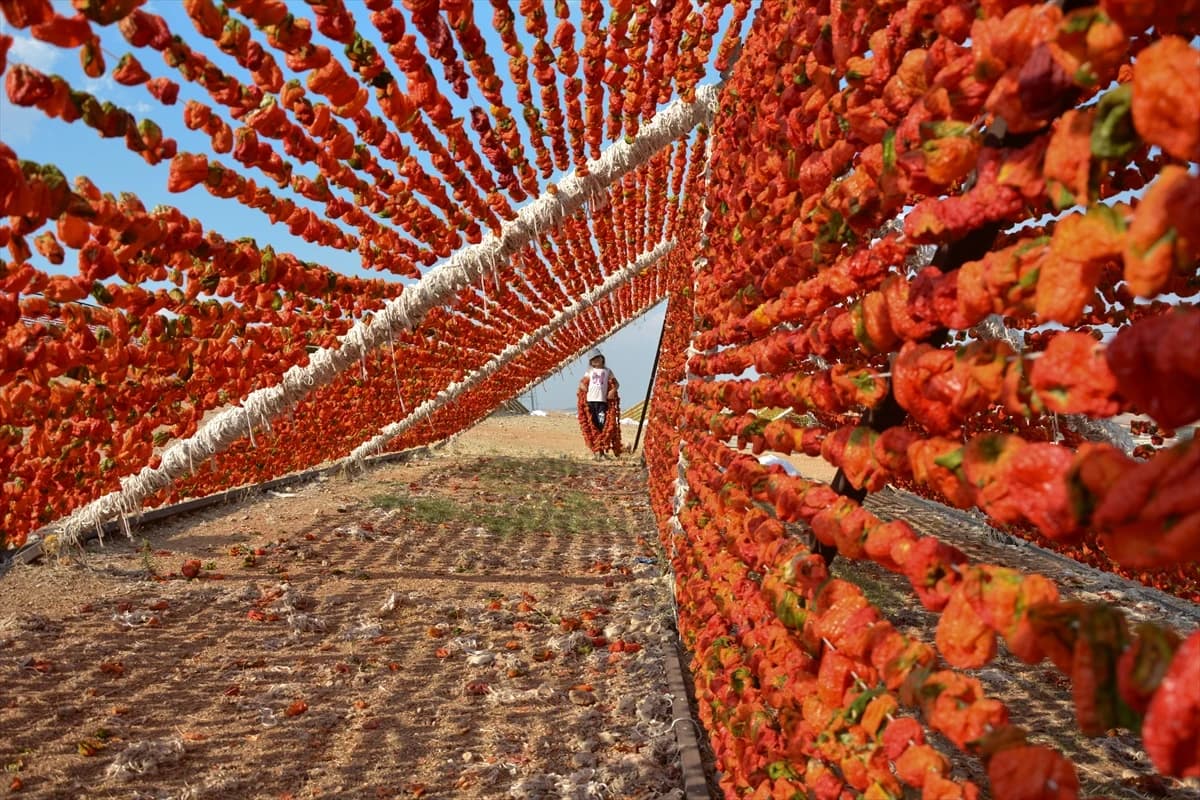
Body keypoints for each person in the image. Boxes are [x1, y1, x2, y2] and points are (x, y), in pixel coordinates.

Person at [579, 351, 618, 433]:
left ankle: (603, 439)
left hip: (602, 402)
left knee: (602, 422)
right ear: (591, 362)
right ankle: (596, 442)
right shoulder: (590, 371)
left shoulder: (607, 371)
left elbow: (616, 384)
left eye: (597, 357)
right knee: (593, 422)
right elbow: (581, 382)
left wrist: (612, 391)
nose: (596, 360)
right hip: (590, 401)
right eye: (593, 359)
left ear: (602, 358)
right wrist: (583, 387)